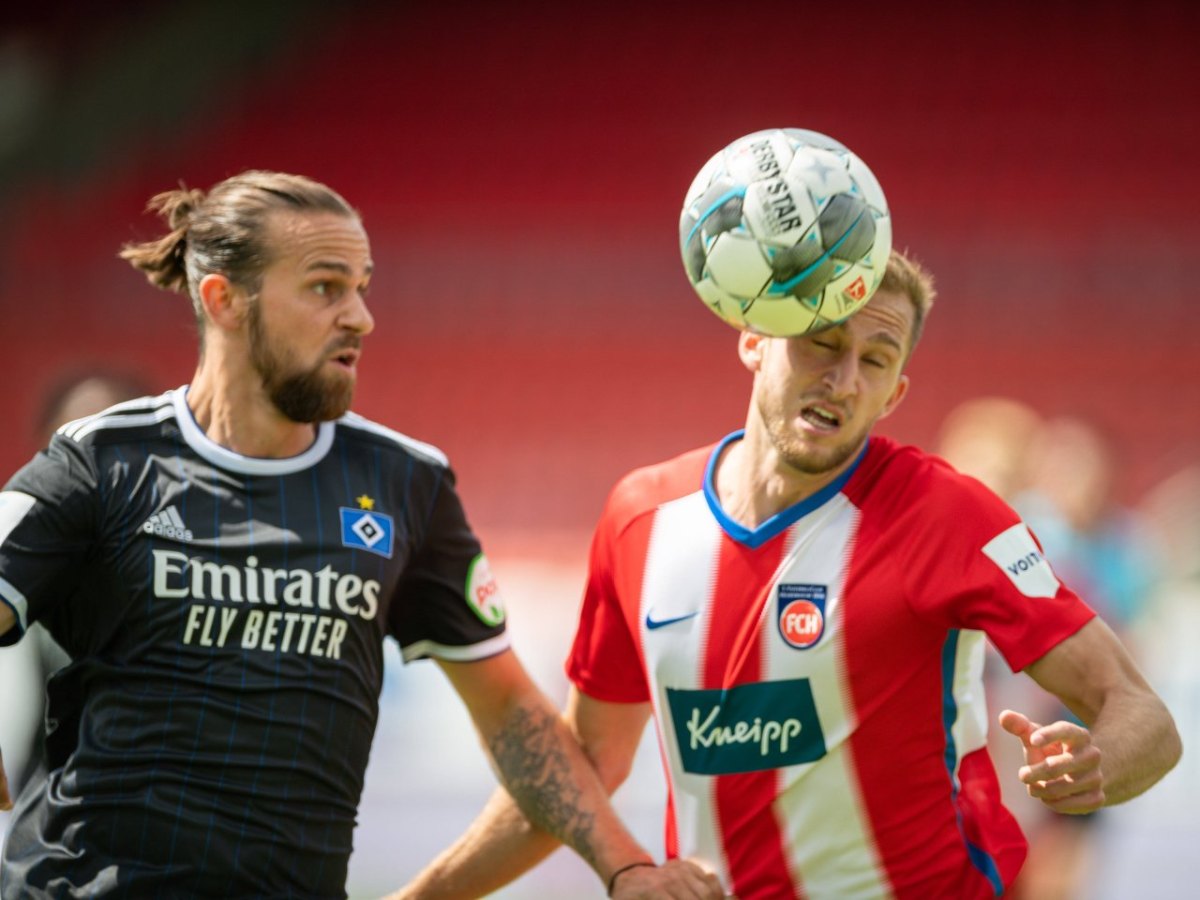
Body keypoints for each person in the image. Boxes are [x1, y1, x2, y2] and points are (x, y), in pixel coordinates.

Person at [0, 171, 723, 899]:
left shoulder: (407, 482)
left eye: (362, 287)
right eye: (325, 288)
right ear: (223, 300)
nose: (361, 317)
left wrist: (624, 866)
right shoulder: (102, 460)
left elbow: (511, 715)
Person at [396, 250, 1182, 900]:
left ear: (896, 391)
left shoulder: (952, 515)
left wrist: (1096, 764)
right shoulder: (642, 519)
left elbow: (1141, 714)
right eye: (821, 343)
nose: (844, 380)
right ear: (754, 337)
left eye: (875, 361)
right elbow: (585, 765)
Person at [0, 370, 150, 841]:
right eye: (73, 449)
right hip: (42, 849)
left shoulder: (189, 577)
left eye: (111, 451)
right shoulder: (16, 584)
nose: (92, 474)